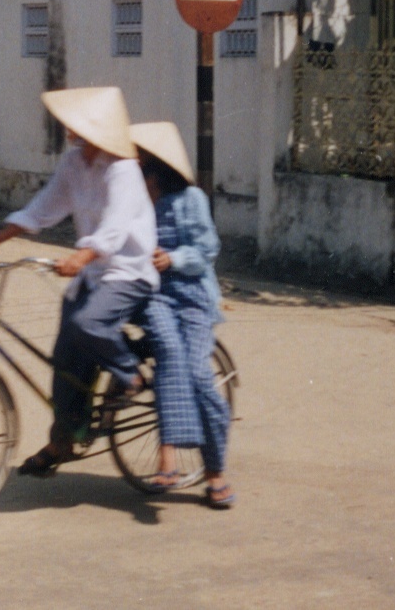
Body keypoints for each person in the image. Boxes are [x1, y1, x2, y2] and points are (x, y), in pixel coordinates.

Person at [0, 87, 184, 477]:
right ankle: (62, 441)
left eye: (77, 125)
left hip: (128, 272)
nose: (69, 130)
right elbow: (45, 205)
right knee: (66, 357)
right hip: (93, 273)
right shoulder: (74, 163)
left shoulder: (122, 168)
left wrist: (80, 256)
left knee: (88, 324)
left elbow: (115, 229)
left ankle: (128, 374)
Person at [131, 121, 233, 509]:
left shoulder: (190, 198)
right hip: (154, 296)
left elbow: (207, 250)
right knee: (169, 355)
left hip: (192, 295)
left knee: (196, 372)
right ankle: (167, 461)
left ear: (155, 167)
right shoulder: (135, 201)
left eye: (140, 165)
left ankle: (215, 472)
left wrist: (172, 257)